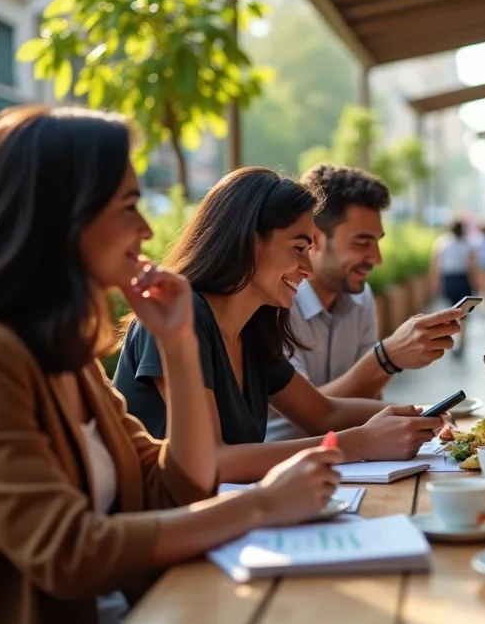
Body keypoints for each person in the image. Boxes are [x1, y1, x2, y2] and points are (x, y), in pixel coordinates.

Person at [0, 106, 343, 624]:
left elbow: (178, 486)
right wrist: (261, 506)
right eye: (129, 206)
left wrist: (178, 345)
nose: (147, 229)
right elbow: (69, 551)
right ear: (65, 213)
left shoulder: (67, 357)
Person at [113, 167, 443, 483]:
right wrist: (357, 443)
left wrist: (421, 413)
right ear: (248, 241)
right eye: (299, 248)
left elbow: (322, 413)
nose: (307, 268)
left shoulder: (254, 328)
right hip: (163, 527)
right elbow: (214, 461)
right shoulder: (180, 316)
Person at [263, 164, 462, 440]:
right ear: (315, 239)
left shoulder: (361, 296)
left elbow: (369, 399)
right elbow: (310, 416)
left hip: (352, 463)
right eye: (361, 242)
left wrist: (421, 415)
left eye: (377, 242)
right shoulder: (275, 303)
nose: (376, 258)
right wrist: (387, 357)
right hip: (282, 465)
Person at [431, 220, 477, 356]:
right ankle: (461, 341)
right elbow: (471, 266)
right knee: (463, 314)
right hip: (462, 280)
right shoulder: (467, 245)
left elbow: (436, 264)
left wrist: (436, 282)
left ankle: (450, 342)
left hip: (449, 279)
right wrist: (475, 282)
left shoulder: (442, 243)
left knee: (450, 312)